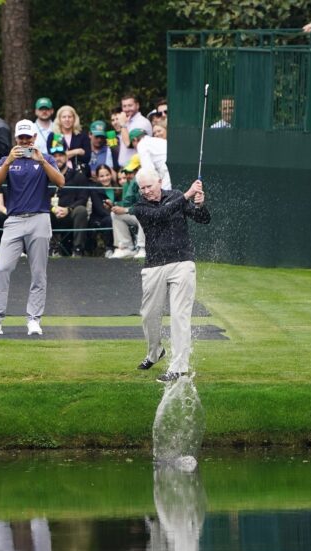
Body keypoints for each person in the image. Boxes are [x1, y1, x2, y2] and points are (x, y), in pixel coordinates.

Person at [0, 120, 64, 337]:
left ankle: (34, 319)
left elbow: (60, 181)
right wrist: (8, 162)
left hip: (40, 218)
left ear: (34, 137)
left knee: (38, 273)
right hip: (14, 219)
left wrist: (42, 161)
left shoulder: (45, 158)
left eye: (28, 138)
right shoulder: (7, 160)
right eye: (21, 138)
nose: (25, 141)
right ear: (16, 139)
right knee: (2, 268)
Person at [132, 168, 210, 382]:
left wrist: (199, 203)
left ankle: (179, 367)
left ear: (159, 181)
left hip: (182, 262)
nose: (146, 191)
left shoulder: (175, 195)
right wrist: (187, 195)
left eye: (150, 186)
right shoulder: (139, 207)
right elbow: (160, 215)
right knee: (149, 315)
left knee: (179, 315)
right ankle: (155, 352)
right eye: (143, 188)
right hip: (154, 266)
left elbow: (203, 219)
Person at [48, 144, 89, 257]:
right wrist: (53, 208)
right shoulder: (46, 177)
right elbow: (41, 198)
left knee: (81, 210)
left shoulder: (77, 175)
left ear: (66, 157)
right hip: (51, 214)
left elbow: (83, 198)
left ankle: (77, 250)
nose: (58, 158)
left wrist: (68, 209)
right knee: (40, 211)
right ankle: (50, 248)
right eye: (54, 156)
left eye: (61, 155)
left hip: (71, 214)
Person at [108, 157, 145, 259]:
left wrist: (122, 208)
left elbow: (144, 206)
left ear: (140, 169)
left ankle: (142, 248)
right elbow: (127, 202)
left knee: (144, 213)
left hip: (149, 213)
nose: (127, 175)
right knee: (115, 214)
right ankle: (127, 247)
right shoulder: (128, 184)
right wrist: (114, 204)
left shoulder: (145, 180)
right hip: (135, 213)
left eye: (131, 172)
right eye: (127, 172)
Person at [47, 105, 90, 172]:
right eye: (64, 117)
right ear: (59, 119)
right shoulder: (53, 135)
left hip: (79, 173)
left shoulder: (82, 135)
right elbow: (51, 157)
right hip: (58, 172)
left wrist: (64, 155)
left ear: (74, 119)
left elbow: (87, 157)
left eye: (70, 117)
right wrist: (76, 151)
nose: (67, 119)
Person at [116, 92, 153, 167]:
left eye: (130, 105)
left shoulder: (142, 122)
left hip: (137, 167)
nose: (127, 109)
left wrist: (123, 125)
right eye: (124, 106)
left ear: (137, 105)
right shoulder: (127, 121)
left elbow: (129, 144)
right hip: (125, 168)